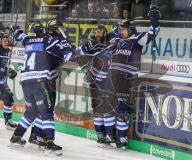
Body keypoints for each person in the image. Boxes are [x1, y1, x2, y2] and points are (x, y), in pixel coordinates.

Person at [9, 22, 73, 155]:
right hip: (40, 81)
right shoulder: (47, 39)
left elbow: (18, 33)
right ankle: (49, 144)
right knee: (46, 112)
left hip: (26, 81)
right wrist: (66, 40)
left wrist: (14, 28)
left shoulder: (27, 40)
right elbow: (69, 51)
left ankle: (16, 137)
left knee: (31, 112)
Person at [109, 4, 160, 150]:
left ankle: (122, 138)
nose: (121, 31)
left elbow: (153, 33)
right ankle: (110, 135)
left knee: (122, 110)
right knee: (110, 108)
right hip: (112, 78)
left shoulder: (137, 39)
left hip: (127, 79)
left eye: (123, 29)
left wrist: (154, 21)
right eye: (120, 29)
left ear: (130, 30)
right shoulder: (116, 39)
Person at [76, 25, 117, 147]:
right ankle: (101, 135)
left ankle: (110, 135)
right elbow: (78, 55)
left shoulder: (111, 39)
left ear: (105, 33)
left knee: (107, 108)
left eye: (100, 32)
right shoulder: (90, 43)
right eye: (96, 32)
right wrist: (85, 69)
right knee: (98, 108)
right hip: (95, 80)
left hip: (108, 79)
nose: (97, 34)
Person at [0, 32, 18, 129]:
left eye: (8, 40)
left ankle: (8, 121)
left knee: (9, 99)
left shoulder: (7, 51)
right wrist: (6, 70)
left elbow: (4, 66)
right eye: (4, 41)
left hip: (2, 81)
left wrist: (10, 71)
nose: (7, 42)